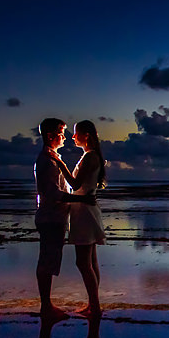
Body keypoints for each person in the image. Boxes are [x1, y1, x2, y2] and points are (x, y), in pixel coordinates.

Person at [34, 118, 94, 322]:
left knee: (49, 261)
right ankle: (46, 307)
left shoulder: (52, 158)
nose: (65, 137)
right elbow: (54, 193)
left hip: (55, 217)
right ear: (50, 136)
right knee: (47, 262)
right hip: (50, 218)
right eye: (61, 132)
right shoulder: (47, 161)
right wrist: (81, 198)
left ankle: (47, 305)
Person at [54, 120, 107, 319]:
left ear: (86, 135)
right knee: (90, 262)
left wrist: (60, 164)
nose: (73, 137)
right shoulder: (91, 156)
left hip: (85, 213)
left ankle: (95, 306)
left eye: (76, 134)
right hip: (85, 211)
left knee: (83, 262)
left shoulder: (91, 157)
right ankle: (93, 304)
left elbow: (75, 184)